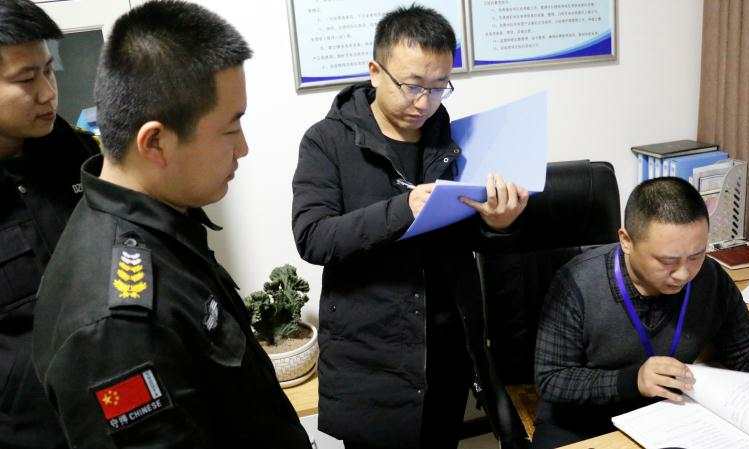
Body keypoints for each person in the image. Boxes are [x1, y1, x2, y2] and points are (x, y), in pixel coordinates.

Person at [32, 2, 311, 448]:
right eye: (230, 128)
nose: (243, 148)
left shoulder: (161, 221)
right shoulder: (116, 327)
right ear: (156, 142)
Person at [292, 5, 529, 449]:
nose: (424, 102)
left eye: (439, 87)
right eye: (412, 85)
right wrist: (403, 209)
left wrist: (498, 225)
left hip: (446, 353)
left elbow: (463, 237)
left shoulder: (451, 139)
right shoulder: (327, 141)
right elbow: (313, 237)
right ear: (375, 71)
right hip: (371, 363)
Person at [532, 176, 749, 448]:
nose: (684, 274)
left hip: (666, 416)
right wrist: (633, 380)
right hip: (584, 423)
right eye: (667, 261)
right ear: (626, 240)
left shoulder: (709, 277)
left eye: (696, 255)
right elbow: (552, 379)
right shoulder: (576, 283)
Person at [0, 1, 100, 447]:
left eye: (48, 71)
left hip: (113, 401)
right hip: (27, 430)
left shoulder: (84, 158)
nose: (47, 93)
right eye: (26, 79)